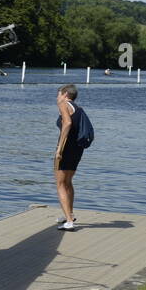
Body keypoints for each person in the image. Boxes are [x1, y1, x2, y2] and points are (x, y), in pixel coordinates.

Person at [54, 84, 89, 230]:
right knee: (68, 182)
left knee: (60, 184)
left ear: (65, 94)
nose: (57, 97)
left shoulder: (64, 104)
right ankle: (69, 214)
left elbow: (67, 123)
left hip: (66, 148)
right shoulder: (78, 108)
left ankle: (69, 221)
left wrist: (59, 148)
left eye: (58, 94)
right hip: (77, 148)